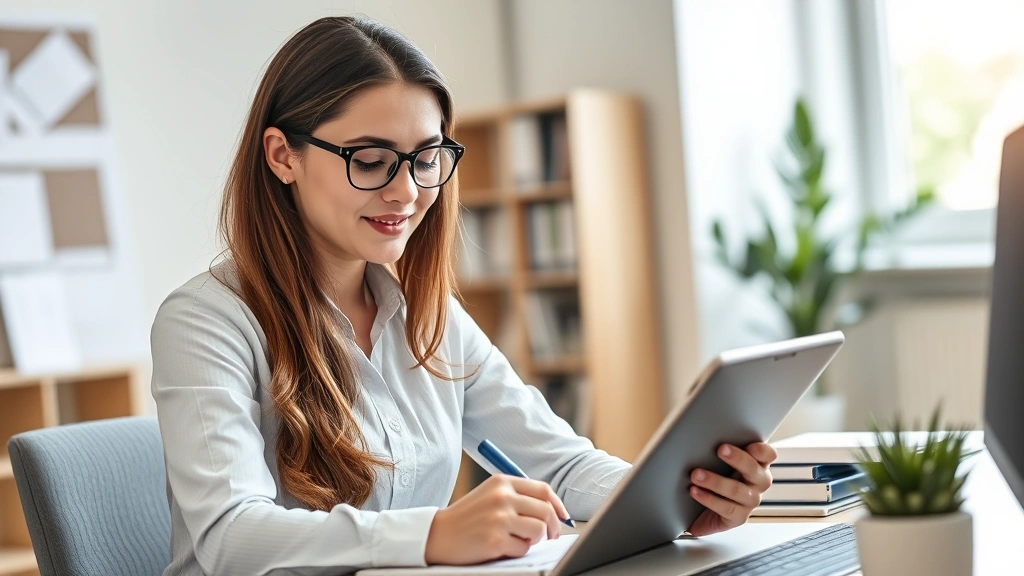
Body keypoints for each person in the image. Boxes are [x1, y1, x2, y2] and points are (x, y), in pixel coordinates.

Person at [150, 15, 777, 576]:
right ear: (283, 155)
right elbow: (231, 537)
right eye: (369, 160)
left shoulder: (429, 319)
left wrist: (680, 497)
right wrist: (433, 534)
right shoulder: (205, 322)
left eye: (425, 158)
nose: (406, 191)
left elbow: (560, 465)